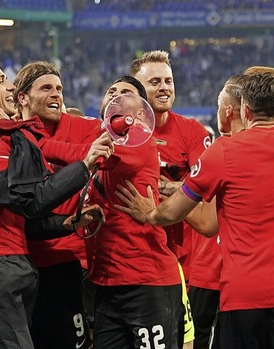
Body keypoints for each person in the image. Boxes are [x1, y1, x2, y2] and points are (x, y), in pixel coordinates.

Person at [116, 66, 274, 349]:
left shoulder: (223, 151)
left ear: (244, 109)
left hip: (244, 294)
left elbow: (174, 213)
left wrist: (149, 214)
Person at [0, 55, 112, 348]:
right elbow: (27, 201)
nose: (9, 86)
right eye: (1, 80)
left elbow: (22, 217)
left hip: (0, 265)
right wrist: (84, 165)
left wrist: (67, 223)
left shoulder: (2, 135)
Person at [85, 75, 184, 349]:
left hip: (147, 283)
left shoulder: (138, 139)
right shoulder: (103, 138)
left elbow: (80, 151)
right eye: (111, 92)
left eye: (125, 93)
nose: (115, 96)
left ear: (141, 112)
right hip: (107, 282)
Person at [12, 60, 100, 349]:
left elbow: (96, 153)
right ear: (22, 97)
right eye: (46, 88)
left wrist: (34, 145)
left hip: (66, 262)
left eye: (59, 88)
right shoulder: (5, 132)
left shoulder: (82, 126)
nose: (56, 94)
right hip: (17, 260)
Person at [131, 49, 210, 348]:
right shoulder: (120, 130)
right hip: (130, 256)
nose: (164, 87)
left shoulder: (191, 131)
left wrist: (170, 188)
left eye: (168, 81)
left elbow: (204, 188)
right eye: (155, 82)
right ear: (138, 90)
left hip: (179, 258)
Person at [185, 74, 246, 349]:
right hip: (226, 267)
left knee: (200, 337)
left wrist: (162, 203)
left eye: (219, 106)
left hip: (219, 266)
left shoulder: (220, 150)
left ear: (229, 110)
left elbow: (207, 222)